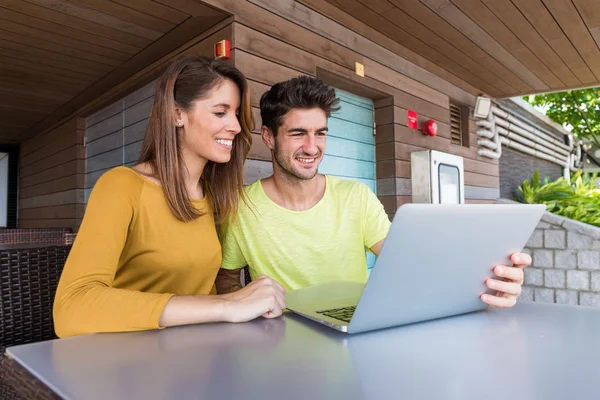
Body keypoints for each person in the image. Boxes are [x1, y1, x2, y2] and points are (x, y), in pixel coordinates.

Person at [216, 76, 531, 308]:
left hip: (353, 332)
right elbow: (227, 277)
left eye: (320, 134)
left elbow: (411, 262)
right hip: (282, 343)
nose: (312, 147)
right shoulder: (241, 207)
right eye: (298, 134)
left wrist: (485, 285)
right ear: (269, 137)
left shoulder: (356, 197)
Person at [53, 55, 285, 338]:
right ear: (177, 114)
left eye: (236, 114)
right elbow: (71, 307)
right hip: (127, 359)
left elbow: (205, 289)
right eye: (220, 112)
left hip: (198, 352)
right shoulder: (121, 186)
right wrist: (224, 305)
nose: (236, 127)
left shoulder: (213, 196)